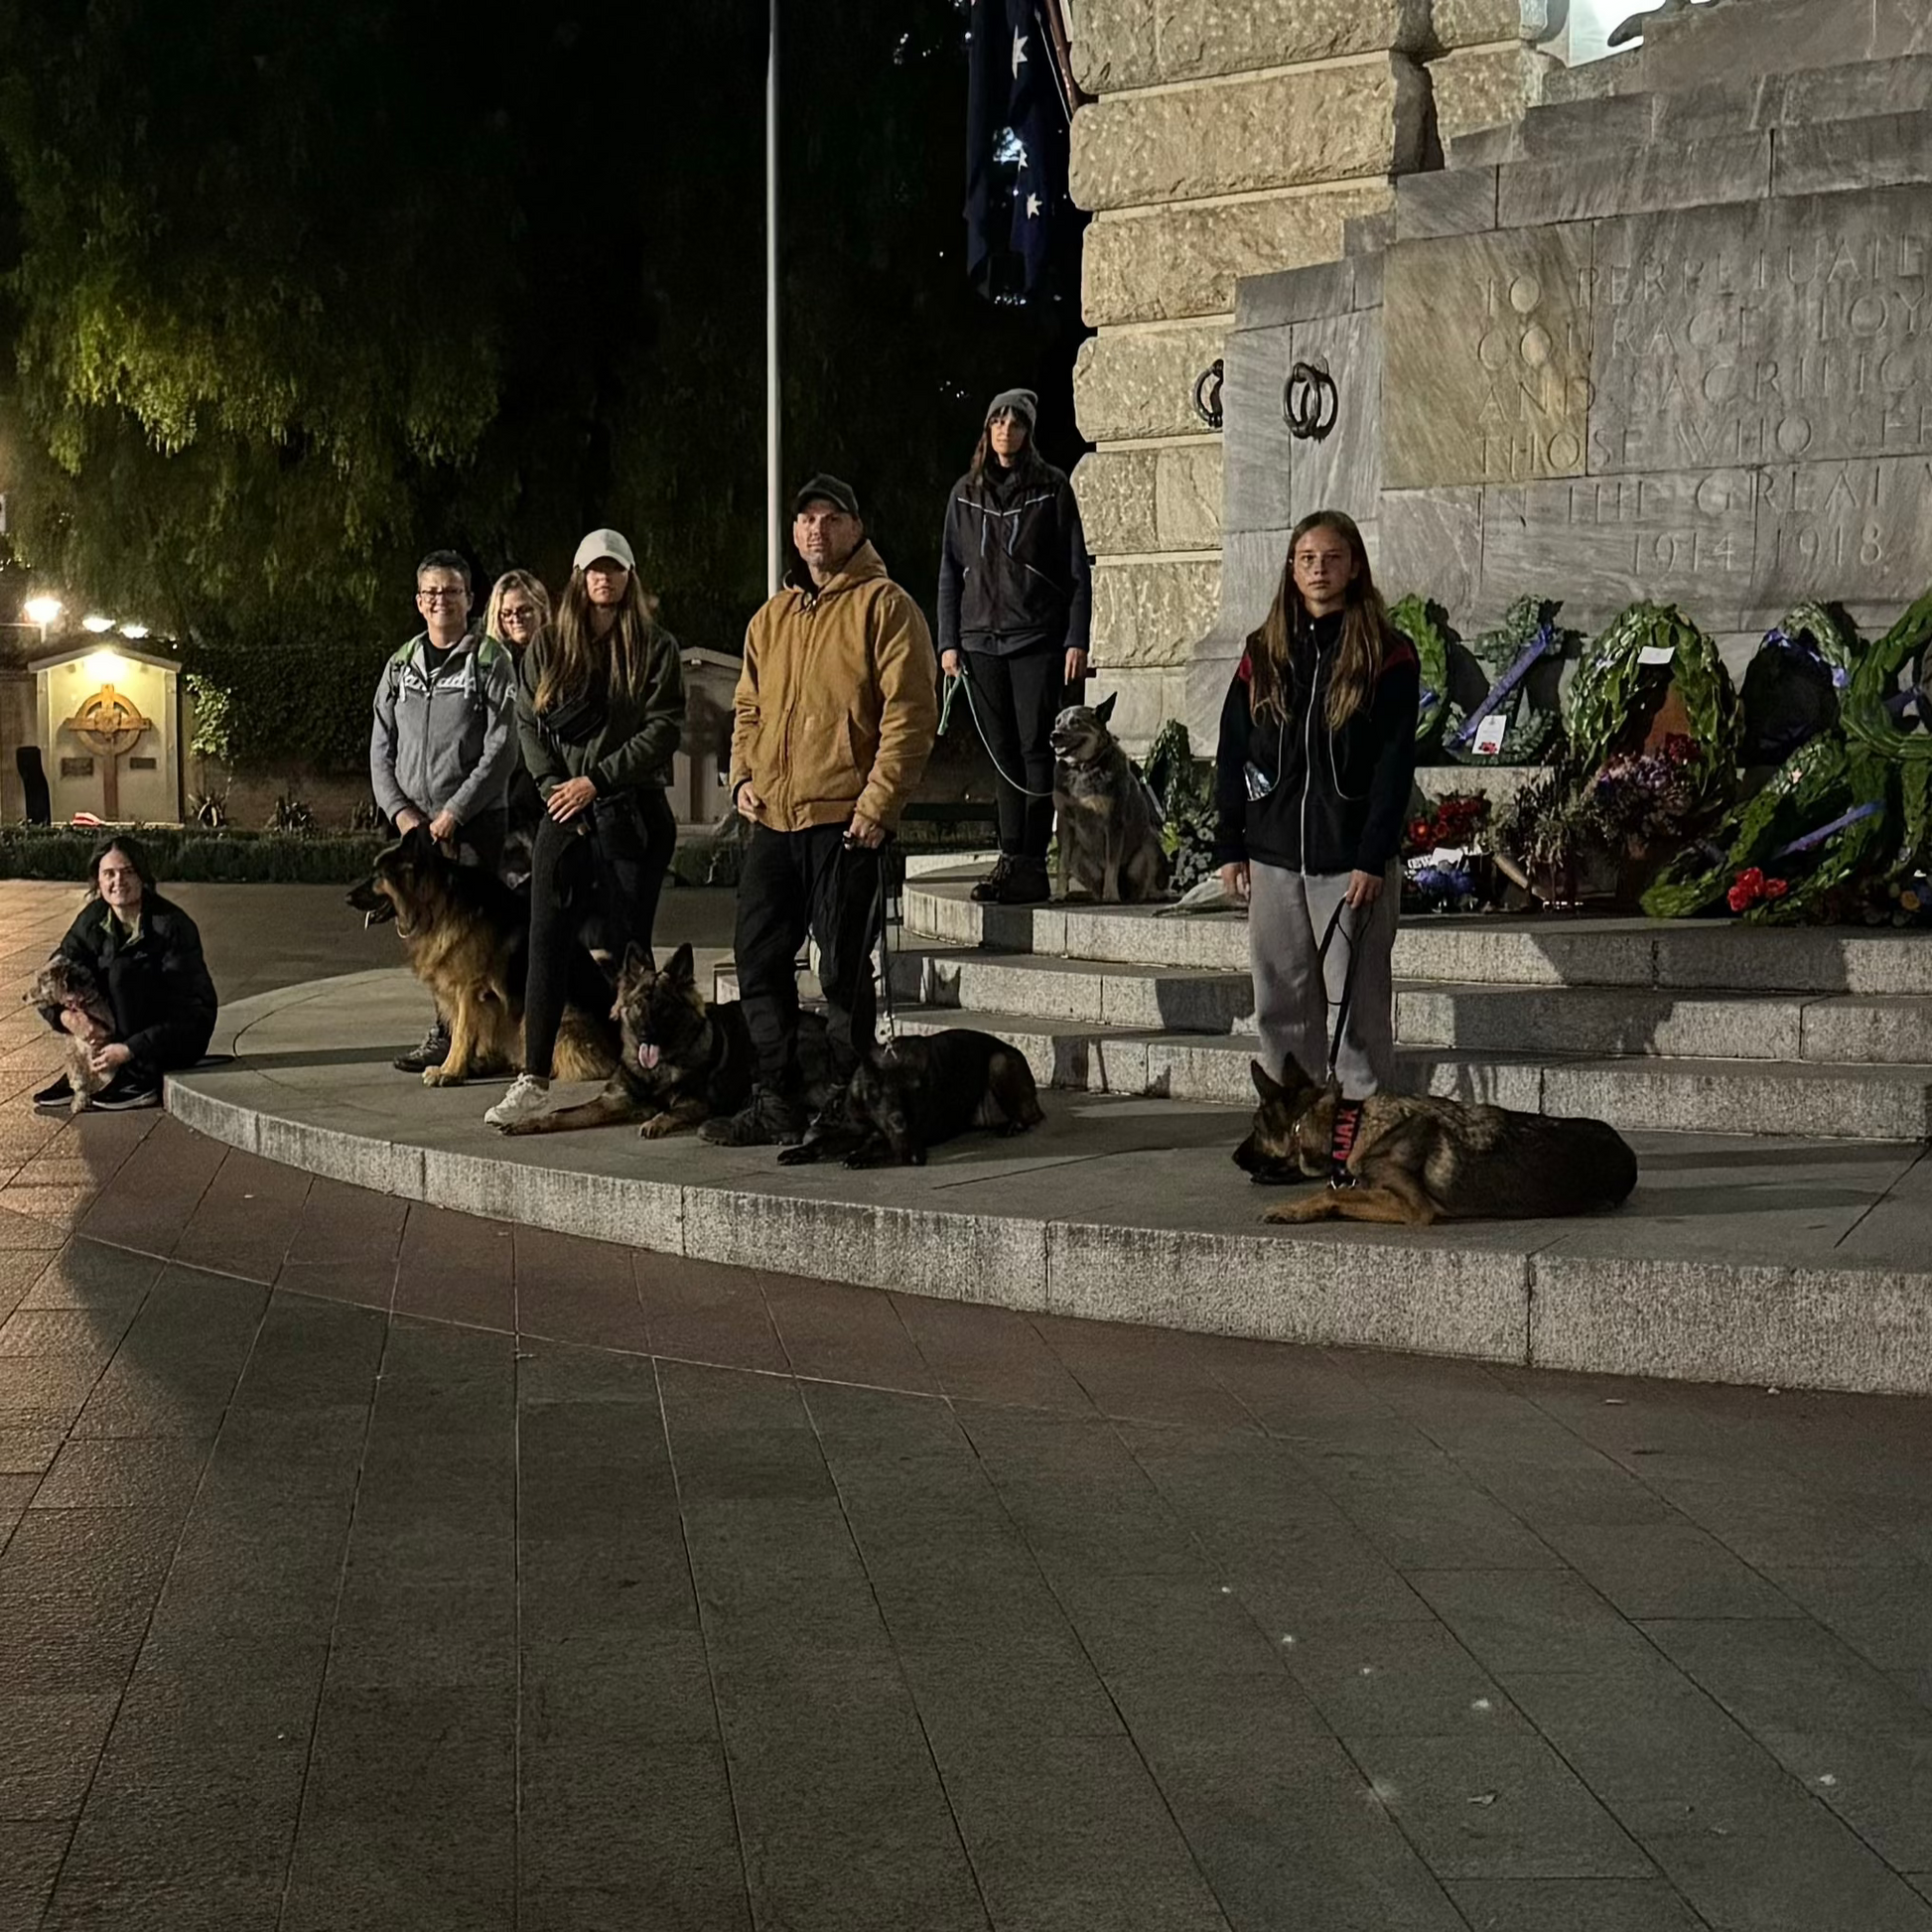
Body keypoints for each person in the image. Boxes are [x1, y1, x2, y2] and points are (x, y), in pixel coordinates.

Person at [701, 475, 940, 1147]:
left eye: (828, 518)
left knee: (840, 969)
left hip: (847, 821)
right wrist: (742, 773)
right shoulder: (771, 618)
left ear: (855, 526)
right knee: (757, 959)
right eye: (804, 519)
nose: (813, 531)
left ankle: (846, 1099)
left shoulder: (885, 607)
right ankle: (777, 1095)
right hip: (774, 820)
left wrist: (880, 800)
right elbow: (747, 708)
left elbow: (912, 714)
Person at [1213, 509, 1418, 1105]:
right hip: (1275, 857)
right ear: (1292, 570)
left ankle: (1362, 1134)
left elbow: (1393, 765)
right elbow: (1232, 750)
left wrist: (1373, 856)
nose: (1319, 570)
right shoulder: (1264, 650)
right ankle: (1291, 1128)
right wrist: (1230, 845)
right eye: (1307, 560)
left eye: (1331, 559)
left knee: (1357, 1012)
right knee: (1280, 1006)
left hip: (1349, 863)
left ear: (1354, 567)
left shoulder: (1387, 653)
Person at [483, 529, 685, 1129]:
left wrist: (595, 780)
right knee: (547, 941)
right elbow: (527, 723)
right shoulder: (547, 647)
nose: (604, 579)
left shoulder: (655, 646)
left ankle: (645, 1071)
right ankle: (533, 1079)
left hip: (631, 812)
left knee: (631, 950)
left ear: (629, 575)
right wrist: (554, 790)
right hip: (562, 814)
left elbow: (664, 727)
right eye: (594, 569)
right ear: (577, 576)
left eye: (615, 569)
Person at [936, 387, 1091, 906]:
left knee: (1034, 751)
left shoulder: (1052, 489)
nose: (1007, 430)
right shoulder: (964, 493)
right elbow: (949, 575)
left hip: (1036, 639)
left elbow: (1076, 572)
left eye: (1016, 422)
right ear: (987, 430)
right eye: (998, 421)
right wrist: (948, 642)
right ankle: (1010, 857)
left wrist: (1076, 637)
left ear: (1028, 432)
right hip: (980, 642)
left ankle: (1030, 861)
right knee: (1002, 756)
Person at [371, 548, 519, 1073]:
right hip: (416, 827)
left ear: (469, 599)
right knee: (429, 937)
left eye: (451, 592)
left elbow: (503, 746)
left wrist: (454, 813)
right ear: (418, 601)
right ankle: (448, 1035)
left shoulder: (489, 661)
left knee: (470, 948)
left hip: (473, 822)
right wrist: (404, 816)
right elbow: (380, 749)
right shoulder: (400, 666)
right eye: (431, 592)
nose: (441, 601)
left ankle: (479, 1046)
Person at [34, 835, 217, 1113]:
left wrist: (130, 1049)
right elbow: (52, 974)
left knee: (122, 971)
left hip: (175, 1036)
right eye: (109, 873)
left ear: (142, 876)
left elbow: (189, 1013)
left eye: (128, 872)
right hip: (118, 1030)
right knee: (61, 976)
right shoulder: (93, 918)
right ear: (98, 879)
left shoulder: (172, 926)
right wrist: (70, 1019)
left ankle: (138, 1079)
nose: (118, 881)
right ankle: (87, 1074)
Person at [483, 568, 553, 859]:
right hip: (501, 781)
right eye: (507, 612)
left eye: (524, 610)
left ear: (540, 609)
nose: (515, 618)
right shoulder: (489, 662)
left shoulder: (559, 656)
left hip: (543, 780)